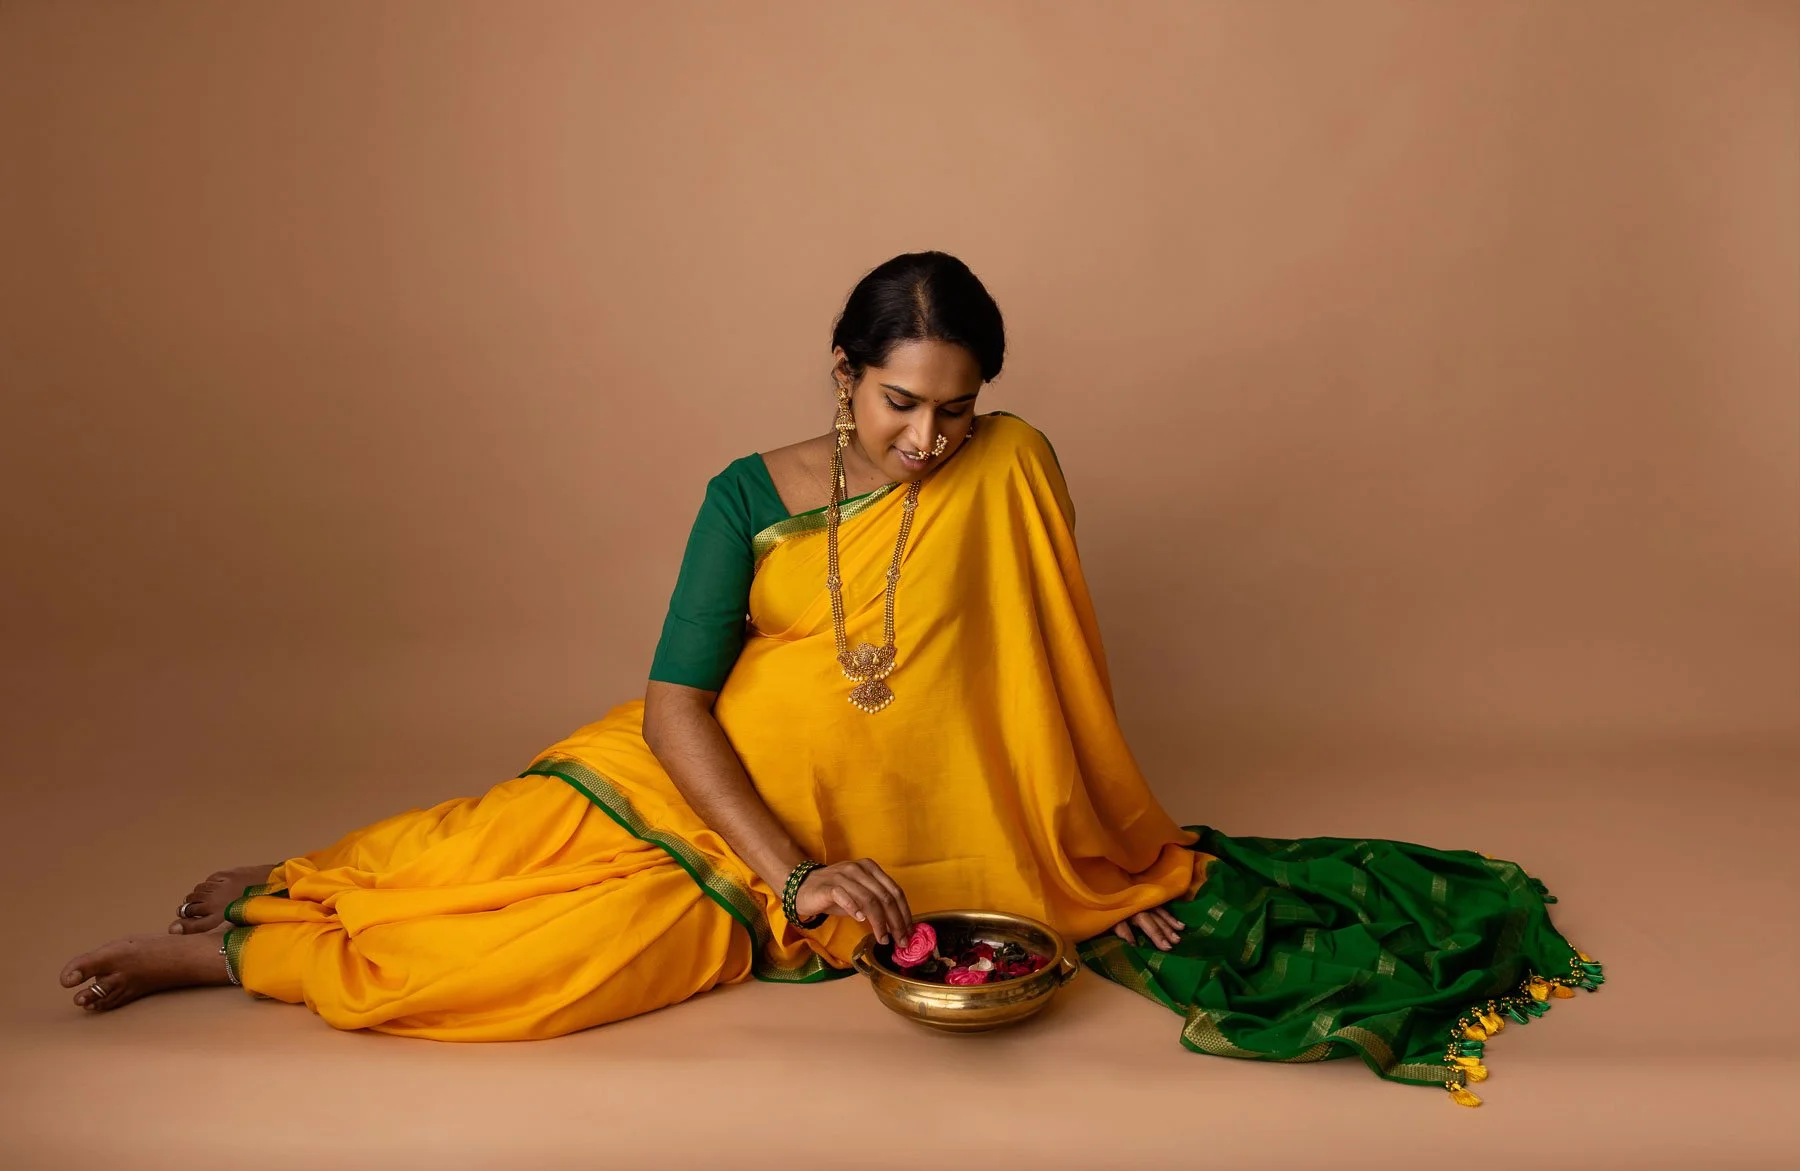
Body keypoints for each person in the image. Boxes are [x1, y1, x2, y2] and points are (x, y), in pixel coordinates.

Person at [60, 251, 1599, 1104]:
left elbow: (1049, 681)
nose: (930, 439)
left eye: (960, 407)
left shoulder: (1013, 470)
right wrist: (787, 866)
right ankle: (270, 901)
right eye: (901, 401)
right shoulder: (748, 493)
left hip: (872, 853)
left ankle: (250, 949)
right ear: (842, 367)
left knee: (520, 973)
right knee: (477, 849)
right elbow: (675, 699)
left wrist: (1104, 857)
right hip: (723, 800)